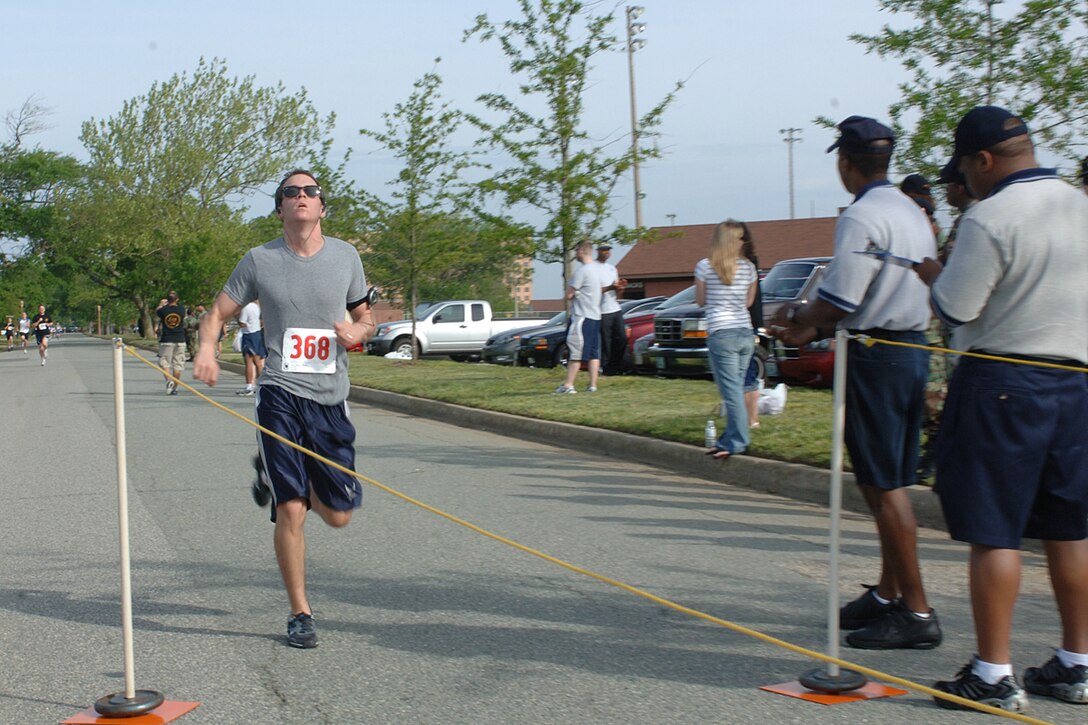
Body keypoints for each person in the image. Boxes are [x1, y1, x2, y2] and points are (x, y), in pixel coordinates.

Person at [914, 106, 1088, 712]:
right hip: (1076, 381)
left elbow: (956, 307)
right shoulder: (1080, 203)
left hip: (1006, 379)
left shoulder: (991, 217)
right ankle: (1076, 663)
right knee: (1070, 528)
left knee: (995, 530)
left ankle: (993, 671)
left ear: (982, 160)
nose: (966, 180)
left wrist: (934, 273)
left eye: (965, 166)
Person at [771, 115, 941, 650]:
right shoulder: (913, 211)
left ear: (845, 164)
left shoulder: (861, 216)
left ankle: (915, 610)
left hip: (875, 353)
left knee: (883, 487)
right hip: (911, 348)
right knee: (887, 478)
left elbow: (842, 298)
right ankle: (890, 592)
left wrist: (798, 317)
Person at [193, 169, 374, 649]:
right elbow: (215, 314)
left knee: (338, 516)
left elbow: (365, 315)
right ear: (279, 208)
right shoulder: (259, 260)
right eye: (290, 192)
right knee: (290, 508)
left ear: (321, 206)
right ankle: (300, 612)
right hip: (278, 392)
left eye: (309, 192)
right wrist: (208, 349)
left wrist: (361, 332)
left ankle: (274, 473)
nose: (301, 197)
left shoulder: (346, 257)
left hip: (331, 398)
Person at [696, 220, 757, 460]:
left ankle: (737, 441)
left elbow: (701, 301)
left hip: (721, 332)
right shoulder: (749, 268)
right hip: (745, 331)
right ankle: (730, 436)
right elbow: (748, 303)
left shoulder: (704, 266)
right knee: (737, 388)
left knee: (730, 391)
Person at [554, 241, 612, 394]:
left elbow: (569, 295)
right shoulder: (598, 270)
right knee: (593, 352)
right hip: (595, 316)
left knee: (575, 351)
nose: (575, 254)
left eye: (576, 251)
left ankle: (568, 386)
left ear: (581, 251)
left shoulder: (581, 272)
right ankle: (592, 385)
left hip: (581, 317)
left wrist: (573, 295)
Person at [740, 222, 763, 430]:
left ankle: (752, 419)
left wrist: (758, 329)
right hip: (735, 326)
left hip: (747, 326)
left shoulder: (749, 265)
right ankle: (744, 417)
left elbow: (755, 302)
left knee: (749, 372)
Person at [595, 244, 628, 375]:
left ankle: (615, 366)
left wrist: (620, 288)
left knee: (622, 338)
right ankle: (606, 368)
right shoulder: (593, 269)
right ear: (598, 252)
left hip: (615, 308)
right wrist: (610, 288)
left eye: (608, 250)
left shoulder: (612, 269)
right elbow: (593, 291)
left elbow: (617, 292)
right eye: (604, 250)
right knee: (606, 342)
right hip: (602, 311)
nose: (606, 253)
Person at [156, 292, 187, 396]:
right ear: (177, 299)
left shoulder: (163, 311)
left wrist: (161, 304)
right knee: (178, 364)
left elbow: (157, 311)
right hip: (180, 339)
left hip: (167, 340)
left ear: (167, 300)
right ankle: (174, 388)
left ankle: (169, 380)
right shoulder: (182, 310)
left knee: (164, 362)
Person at [235, 299, 267, 396]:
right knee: (258, 362)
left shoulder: (246, 307)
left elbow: (242, 323)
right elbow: (261, 322)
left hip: (249, 335)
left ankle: (249, 386)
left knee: (248, 361)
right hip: (257, 334)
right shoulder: (257, 307)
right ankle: (262, 385)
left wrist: (236, 316)